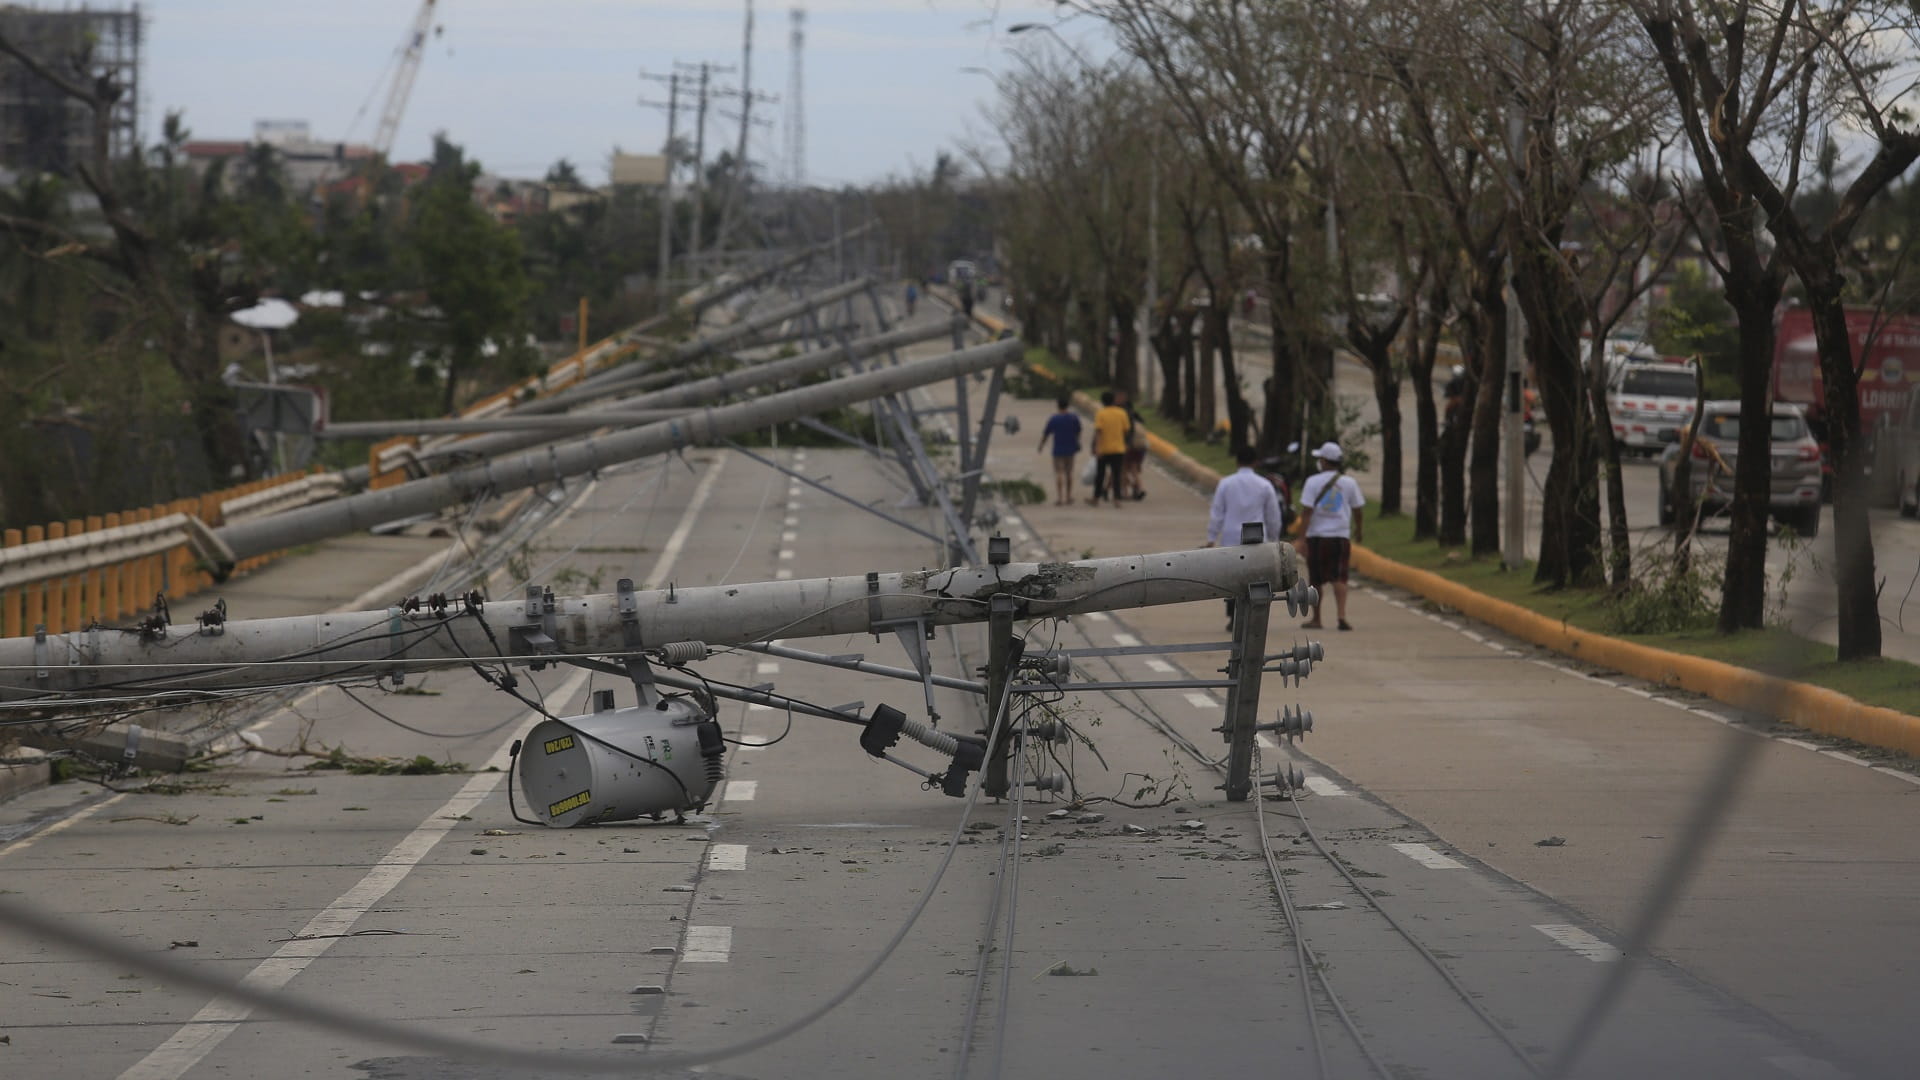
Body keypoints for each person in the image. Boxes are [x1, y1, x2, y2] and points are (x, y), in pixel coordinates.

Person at [1205, 446, 1286, 629]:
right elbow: (1273, 516)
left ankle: (1233, 615)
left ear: (1237, 462)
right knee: (1255, 577)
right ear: (1255, 462)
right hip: (1257, 539)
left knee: (1232, 577)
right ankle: (1252, 615)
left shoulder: (1226, 483)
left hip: (1231, 538)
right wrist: (1274, 539)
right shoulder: (1264, 485)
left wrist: (1211, 537)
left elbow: (1217, 512)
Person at [1297, 441, 1365, 631]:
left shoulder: (1312, 482)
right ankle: (1341, 615)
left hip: (1317, 537)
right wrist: (1359, 530)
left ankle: (1317, 619)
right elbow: (1358, 510)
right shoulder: (1350, 483)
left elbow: (1307, 512)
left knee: (1315, 579)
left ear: (1325, 461)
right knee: (1340, 577)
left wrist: (1301, 539)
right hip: (1340, 536)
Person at [1037, 396, 1083, 506]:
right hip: (1070, 449)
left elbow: (1046, 433)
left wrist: (1041, 445)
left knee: (1059, 473)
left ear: (1058, 406)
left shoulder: (1054, 419)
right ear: (1068, 406)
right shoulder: (1074, 418)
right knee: (1069, 473)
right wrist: (1077, 442)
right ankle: (1068, 496)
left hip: (1058, 449)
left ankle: (1060, 498)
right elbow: (1078, 431)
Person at [1088, 390, 1130, 506]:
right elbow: (1126, 430)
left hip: (1104, 449)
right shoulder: (1122, 413)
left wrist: (1096, 447)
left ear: (1102, 401)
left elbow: (1098, 432)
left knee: (1100, 475)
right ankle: (1117, 499)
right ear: (1114, 400)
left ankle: (1095, 498)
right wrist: (1124, 443)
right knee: (1116, 475)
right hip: (1118, 449)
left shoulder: (1101, 414)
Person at [1117, 389, 1148, 500]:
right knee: (1134, 470)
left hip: (1128, 446)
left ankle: (1125, 492)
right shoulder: (1136, 416)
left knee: (1123, 470)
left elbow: (1124, 432)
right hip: (1140, 447)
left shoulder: (1123, 417)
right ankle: (1140, 488)